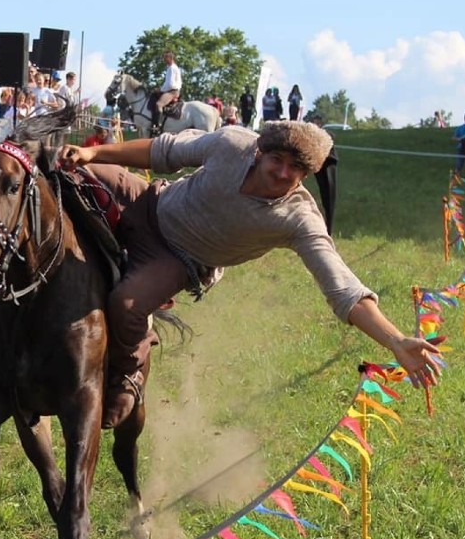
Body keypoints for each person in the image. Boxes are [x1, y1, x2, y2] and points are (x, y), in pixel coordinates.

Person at [48, 121, 441, 430]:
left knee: (126, 304)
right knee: (61, 168)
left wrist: (396, 340)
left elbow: (345, 290)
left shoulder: (299, 220)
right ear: (260, 151)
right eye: (278, 160)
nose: (283, 173)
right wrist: (92, 151)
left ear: (308, 174)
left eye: (297, 168)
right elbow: (162, 151)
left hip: (178, 257)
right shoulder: (230, 145)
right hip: (150, 199)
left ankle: (128, 373)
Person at [151, 51, 181, 133]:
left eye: (165, 58)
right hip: (172, 90)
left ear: (171, 58)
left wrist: (160, 90)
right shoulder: (173, 68)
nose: (164, 60)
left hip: (172, 92)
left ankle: (158, 126)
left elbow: (170, 84)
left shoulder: (172, 68)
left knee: (159, 104)